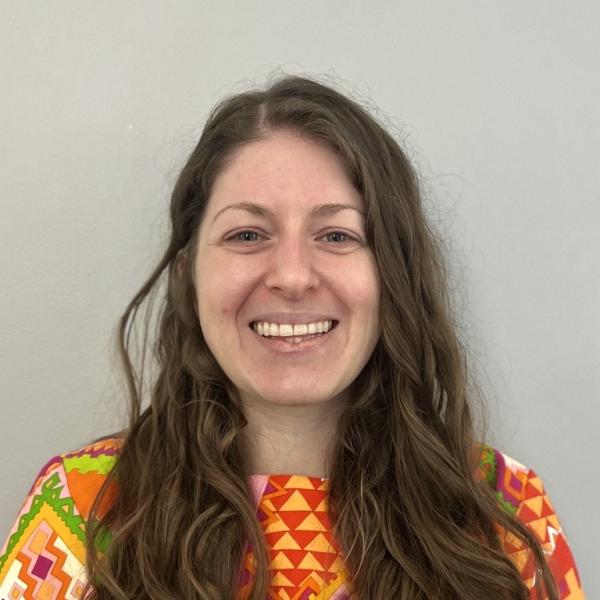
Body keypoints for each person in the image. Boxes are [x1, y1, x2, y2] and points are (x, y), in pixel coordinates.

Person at [0, 75, 585, 600]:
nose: (292, 276)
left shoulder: (508, 511)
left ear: (393, 276)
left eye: (336, 235)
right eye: (248, 234)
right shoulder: (81, 506)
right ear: (189, 277)